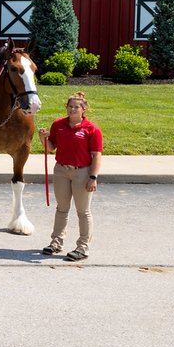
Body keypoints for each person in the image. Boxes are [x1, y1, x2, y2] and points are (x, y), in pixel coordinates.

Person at [38, 91, 103, 262]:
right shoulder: (58, 124)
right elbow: (51, 147)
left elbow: (96, 155)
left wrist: (93, 177)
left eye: (76, 107)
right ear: (66, 108)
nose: (72, 109)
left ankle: (83, 247)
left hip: (82, 172)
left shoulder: (92, 129)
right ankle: (56, 242)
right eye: (70, 106)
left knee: (83, 211)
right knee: (62, 208)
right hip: (61, 171)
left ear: (84, 109)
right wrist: (43, 138)